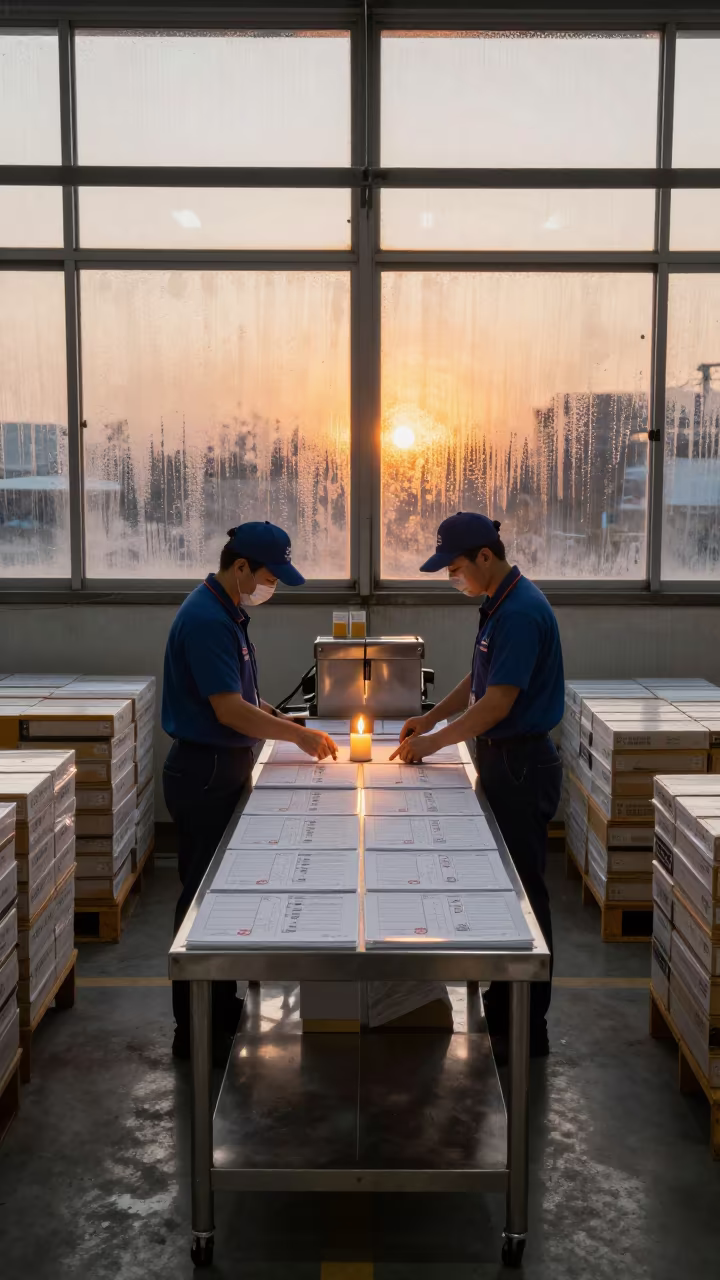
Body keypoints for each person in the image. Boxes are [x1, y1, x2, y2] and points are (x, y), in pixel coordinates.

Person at [162, 521, 338, 1064]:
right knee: (201, 900)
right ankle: (195, 1031)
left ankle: (220, 1006)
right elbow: (227, 709)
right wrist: (299, 735)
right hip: (204, 771)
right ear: (240, 567)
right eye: (268, 576)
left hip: (223, 764)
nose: (272, 587)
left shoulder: (228, 612)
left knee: (217, 894)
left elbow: (247, 699)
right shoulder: (207, 620)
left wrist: (284, 720)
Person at [392, 512, 564, 1059]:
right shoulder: (498, 603)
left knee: (525, 897)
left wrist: (434, 744)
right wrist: (431, 718)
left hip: (520, 763)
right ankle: (506, 1008)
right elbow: (477, 679)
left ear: (485, 557)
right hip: (500, 759)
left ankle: (526, 1028)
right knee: (507, 888)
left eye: (457, 568)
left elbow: (497, 703)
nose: (453, 578)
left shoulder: (520, 611)